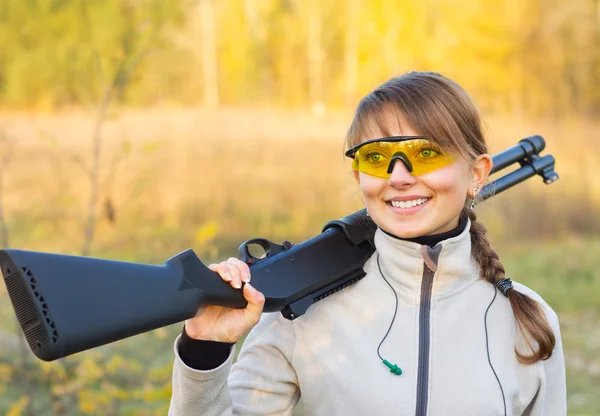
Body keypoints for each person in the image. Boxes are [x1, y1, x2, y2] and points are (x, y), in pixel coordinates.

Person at [168, 71, 567, 416]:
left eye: (425, 153)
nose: (398, 176)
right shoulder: (301, 312)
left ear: (478, 173)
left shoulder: (528, 322)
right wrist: (204, 351)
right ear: (360, 177)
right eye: (376, 157)